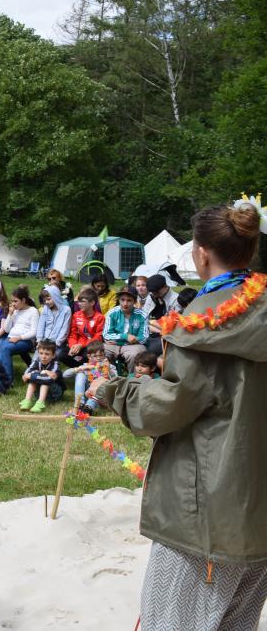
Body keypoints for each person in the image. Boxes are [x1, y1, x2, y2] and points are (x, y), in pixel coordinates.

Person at [93, 201, 267, 630]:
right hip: (258, 509)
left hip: (207, 509)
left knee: (170, 623)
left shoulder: (202, 320)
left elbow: (171, 404)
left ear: (201, 253)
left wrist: (113, 390)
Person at [0, 286, 38, 384]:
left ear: (23, 300)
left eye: (15, 301)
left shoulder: (32, 311)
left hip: (25, 340)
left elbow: (34, 332)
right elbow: (7, 329)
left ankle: (7, 380)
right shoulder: (15, 311)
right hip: (11, 338)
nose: (13, 304)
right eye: (12, 301)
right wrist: (10, 314)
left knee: (5, 349)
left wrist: (19, 338)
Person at [102, 288, 149, 372]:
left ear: (135, 302)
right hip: (114, 345)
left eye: (129, 300)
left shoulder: (142, 315)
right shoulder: (112, 313)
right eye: (122, 300)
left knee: (134, 355)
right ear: (119, 300)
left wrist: (119, 341)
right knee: (102, 352)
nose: (125, 303)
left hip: (133, 346)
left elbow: (144, 338)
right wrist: (125, 337)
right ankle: (107, 377)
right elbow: (106, 334)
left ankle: (133, 378)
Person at [62, 287, 105, 368]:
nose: (79, 304)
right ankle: (80, 367)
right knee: (61, 354)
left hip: (91, 346)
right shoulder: (76, 315)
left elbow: (98, 337)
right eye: (79, 301)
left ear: (92, 303)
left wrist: (81, 345)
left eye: (83, 301)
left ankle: (83, 367)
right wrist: (73, 346)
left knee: (87, 355)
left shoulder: (100, 317)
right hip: (77, 345)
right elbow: (73, 334)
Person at [19, 339, 63, 412]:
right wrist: (33, 374)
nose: (43, 356)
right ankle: (27, 401)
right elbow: (26, 373)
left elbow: (49, 379)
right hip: (39, 393)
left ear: (53, 355)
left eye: (47, 354)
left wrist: (33, 375)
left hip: (55, 394)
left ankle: (40, 403)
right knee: (35, 378)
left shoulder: (55, 364)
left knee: (43, 380)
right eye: (41, 353)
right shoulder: (37, 361)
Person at [141, 274, 180, 355]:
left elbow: (171, 326)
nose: (154, 294)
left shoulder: (175, 300)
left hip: (166, 336)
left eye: (157, 292)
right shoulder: (151, 296)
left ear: (165, 287)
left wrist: (152, 324)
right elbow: (143, 316)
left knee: (147, 350)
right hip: (148, 331)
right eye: (152, 292)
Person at [36, 285, 71, 362]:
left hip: (57, 344)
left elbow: (65, 329)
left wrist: (57, 343)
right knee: (36, 360)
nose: (46, 302)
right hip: (44, 342)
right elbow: (41, 325)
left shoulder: (66, 310)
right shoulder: (46, 309)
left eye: (48, 299)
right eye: (44, 300)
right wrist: (39, 340)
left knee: (50, 361)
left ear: (56, 297)